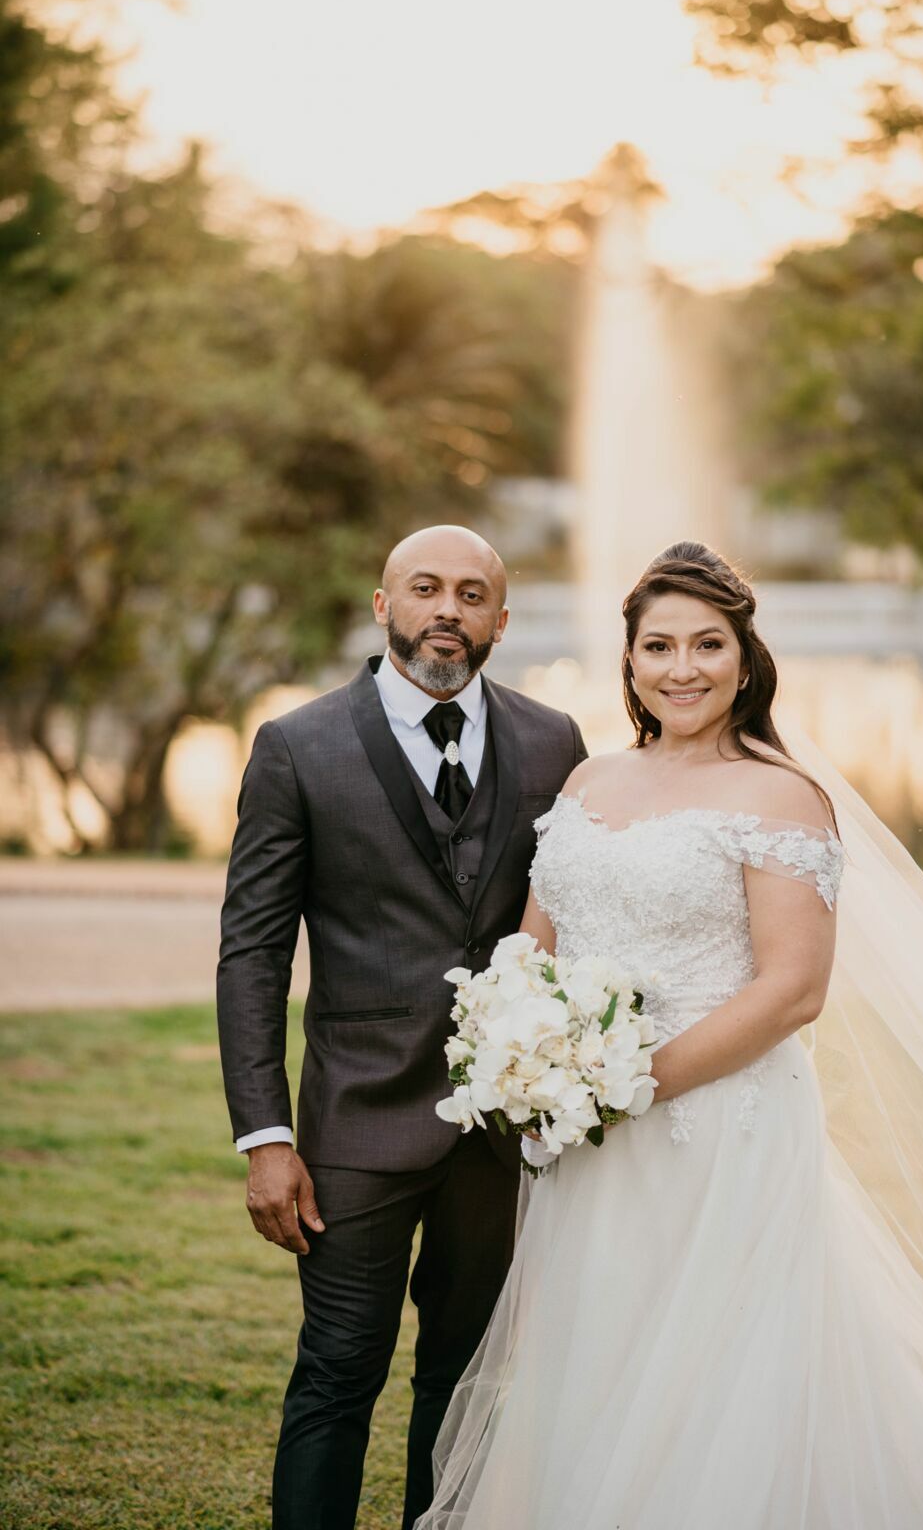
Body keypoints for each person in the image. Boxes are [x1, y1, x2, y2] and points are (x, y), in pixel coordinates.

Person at [415, 542, 923, 1530]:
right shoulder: (592, 780)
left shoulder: (778, 793)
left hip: (717, 1125)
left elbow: (793, 989)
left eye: (708, 644)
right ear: (629, 660)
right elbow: (531, 952)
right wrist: (528, 1054)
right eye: (660, 645)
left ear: (746, 657)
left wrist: (624, 1083)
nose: (684, 667)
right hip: (585, 1137)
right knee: (602, 1348)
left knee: (715, 1362)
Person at [216, 524, 588, 1530]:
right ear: (383, 606)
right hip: (356, 1128)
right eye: (425, 589)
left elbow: (581, 921)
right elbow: (252, 951)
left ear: (501, 621)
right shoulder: (297, 747)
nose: (448, 612)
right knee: (338, 1372)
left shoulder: (556, 741)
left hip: (499, 1130)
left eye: (473, 595)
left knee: (466, 1380)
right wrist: (265, 1135)